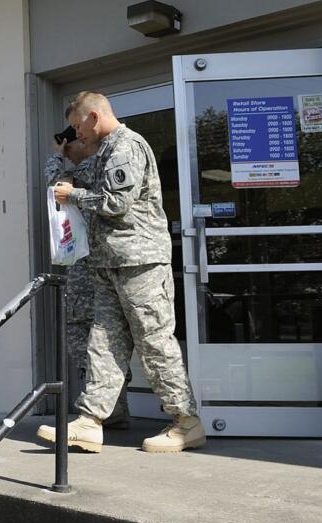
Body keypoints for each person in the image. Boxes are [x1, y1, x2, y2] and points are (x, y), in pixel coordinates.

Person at [38, 91, 205, 454]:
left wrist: (73, 196)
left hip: (140, 263)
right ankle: (90, 421)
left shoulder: (127, 147)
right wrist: (67, 171)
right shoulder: (104, 150)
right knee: (103, 342)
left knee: (155, 343)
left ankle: (186, 422)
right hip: (109, 263)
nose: (77, 134)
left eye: (79, 126)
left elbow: (116, 203)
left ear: (94, 117)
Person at [42, 137, 130, 429]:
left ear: (80, 143)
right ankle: (114, 409)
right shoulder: (91, 169)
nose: (67, 154)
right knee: (92, 338)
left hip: (94, 268)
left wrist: (56, 157)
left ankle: (109, 409)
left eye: (69, 147)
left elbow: (56, 184)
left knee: (90, 337)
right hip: (93, 264)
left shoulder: (93, 166)